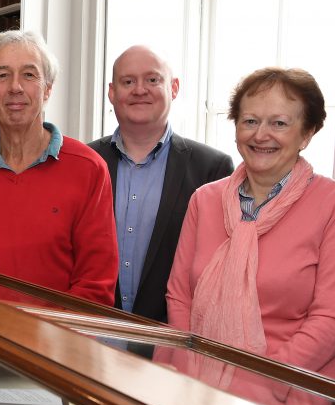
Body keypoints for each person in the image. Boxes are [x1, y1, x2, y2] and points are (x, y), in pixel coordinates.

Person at [166, 67, 335, 405]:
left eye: (280, 124)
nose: (261, 135)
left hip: (284, 392)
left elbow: (331, 319)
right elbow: (179, 296)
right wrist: (187, 369)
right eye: (250, 120)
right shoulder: (204, 200)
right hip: (190, 385)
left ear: (308, 133)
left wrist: (263, 380)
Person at [0, 30, 118, 306]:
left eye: (29, 75)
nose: (16, 87)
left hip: (53, 347)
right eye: (3, 75)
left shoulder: (89, 169)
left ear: (48, 88)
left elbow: (95, 287)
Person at [88, 45, 233, 322]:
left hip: (173, 339)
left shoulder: (212, 169)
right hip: (93, 334)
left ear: (174, 87)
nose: (140, 90)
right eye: (128, 81)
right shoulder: (84, 162)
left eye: (152, 80)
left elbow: (216, 274)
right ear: (112, 92)